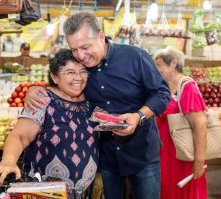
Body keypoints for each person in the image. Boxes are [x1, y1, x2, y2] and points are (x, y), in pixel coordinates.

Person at [24, 12, 171, 199]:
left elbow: (162, 93)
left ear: (101, 37)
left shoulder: (135, 57)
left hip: (142, 152)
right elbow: (65, 84)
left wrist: (138, 116)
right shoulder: (81, 67)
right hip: (106, 156)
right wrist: (35, 88)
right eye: (74, 49)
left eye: (85, 47)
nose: (81, 56)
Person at [0, 49, 98, 196]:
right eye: (70, 72)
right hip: (44, 192)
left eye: (83, 71)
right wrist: (8, 162)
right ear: (55, 77)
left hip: (83, 192)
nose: (78, 78)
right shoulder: (42, 100)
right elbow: (19, 136)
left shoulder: (92, 101)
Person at [153, 47, 207, 199]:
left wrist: (199, 160)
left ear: (173, 63)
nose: (156, 69)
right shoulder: (163, 87)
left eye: (159, 64)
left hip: (184, 156)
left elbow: (200, 126)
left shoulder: (188, 87)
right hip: (165, 153)